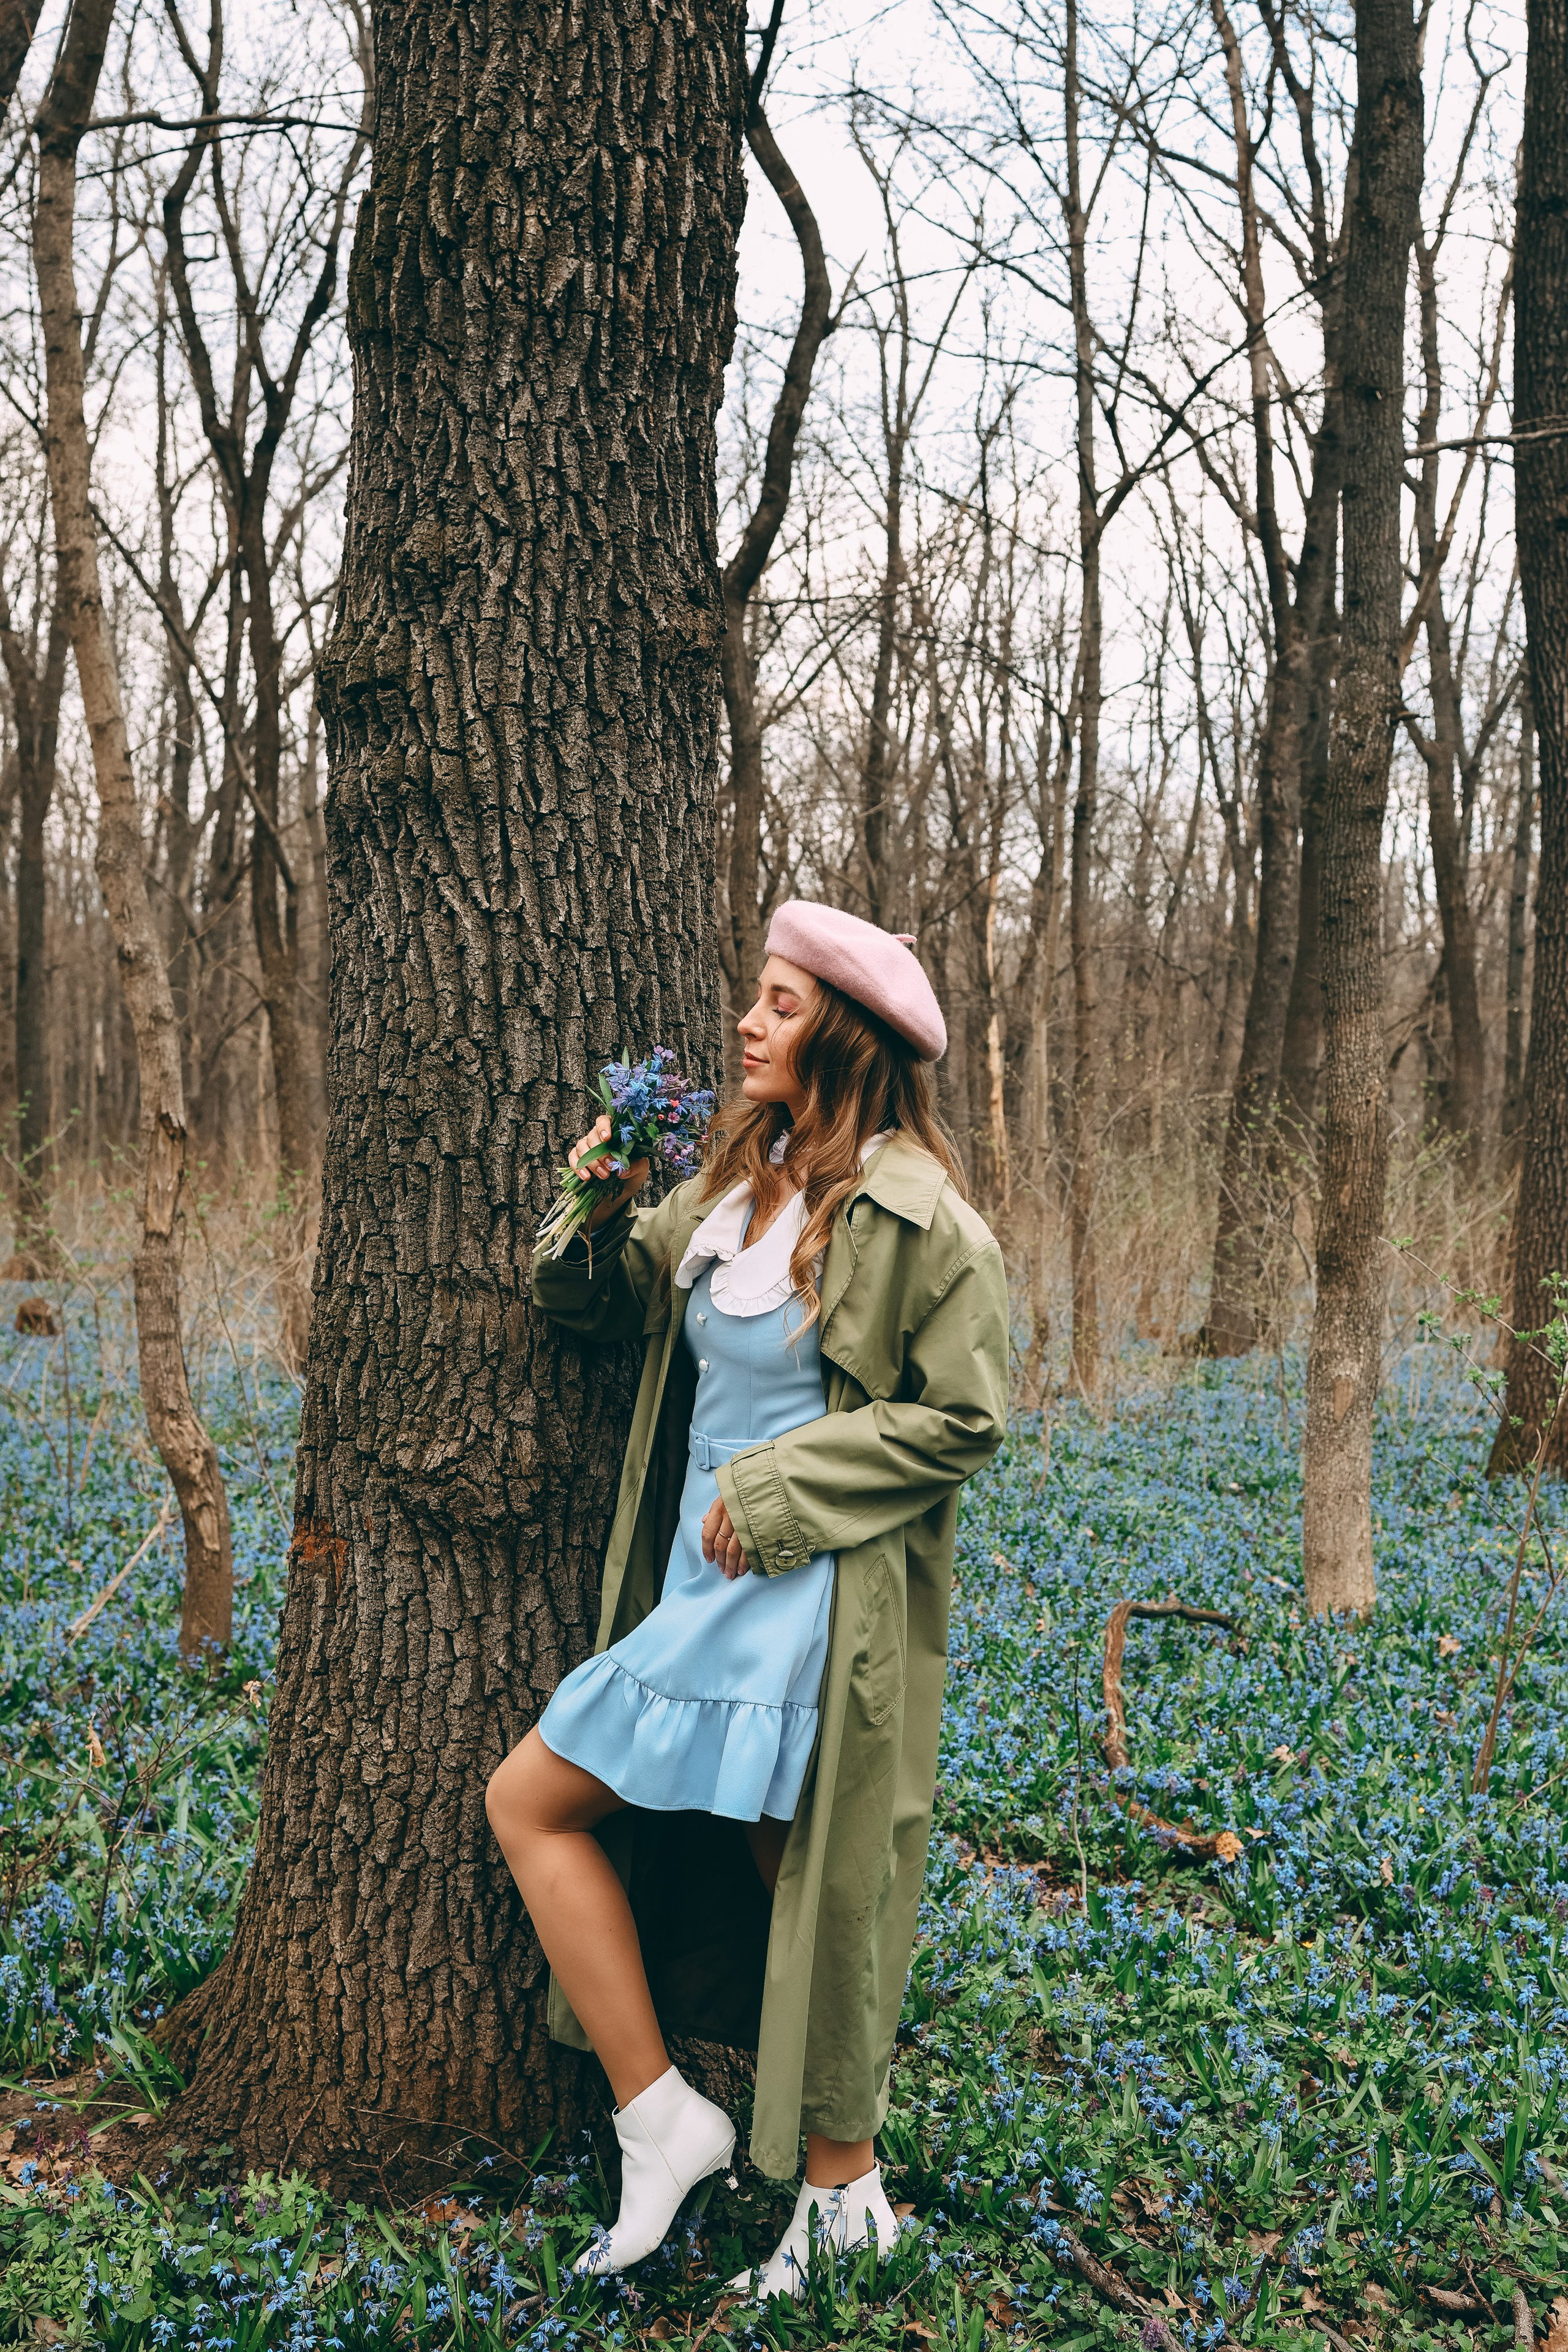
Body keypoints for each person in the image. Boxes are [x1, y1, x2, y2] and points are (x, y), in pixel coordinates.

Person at [486, 900, 1009, 2297]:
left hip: (808, 1601)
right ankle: (664, 2120)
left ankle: (834, 2191)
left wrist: (781, 1486)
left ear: (839, 1035)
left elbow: (963, 1418)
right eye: (756, 999)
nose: (746, 1023)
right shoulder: (737, 1188)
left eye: (777, 1005)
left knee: (797, 1879)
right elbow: (589, 1302)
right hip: (700, 1589)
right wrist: (594, 1196)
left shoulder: (920, 1220)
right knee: (585, 1819)